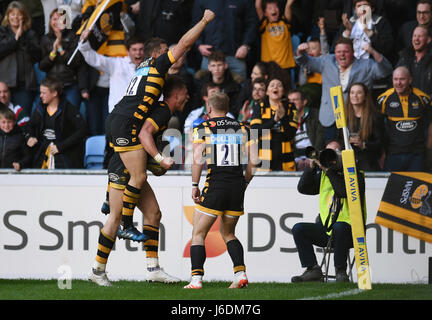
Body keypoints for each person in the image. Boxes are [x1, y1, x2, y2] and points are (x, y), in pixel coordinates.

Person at [104, 10, 215, 241]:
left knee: (127, 165)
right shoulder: (156, 64)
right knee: (138, 177)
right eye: (166, 51)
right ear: (156, 53)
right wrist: (204, 20)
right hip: (126, 122)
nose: (171, 55)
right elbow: (184, 44)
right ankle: (126, 223)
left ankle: (108, 198)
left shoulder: (141, 69)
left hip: (116, 118)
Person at [89, 75, 189, 286]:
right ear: (177, 95)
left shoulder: (162, 111)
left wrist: (157, 163)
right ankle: (97, 271)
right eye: (185, 94)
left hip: (133, 168)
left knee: (154, 213)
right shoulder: (162, 111)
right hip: (123, 167)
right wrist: (160, 160)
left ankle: (153, 269)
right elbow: (144, 135)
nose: (187, 98)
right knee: (115, 219)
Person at [184, 91, 256, 289]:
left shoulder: (202, 128)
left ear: (209, 108)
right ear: (228, 107)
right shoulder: (243, 128)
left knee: (198, 233)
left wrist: (194, 185)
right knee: (229, 233)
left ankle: (196, 279)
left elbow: (198, 159)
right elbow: (255, 160)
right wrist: (245, 182)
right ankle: (240, 274)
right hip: (236, 187)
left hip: (215, 184)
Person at [291, 140, 366, 283]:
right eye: (326, 153)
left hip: (351, 232)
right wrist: (311, 167)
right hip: (328, 230)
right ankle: (313, 269)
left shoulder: (356, 175)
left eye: (334, 153)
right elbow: (303, 188)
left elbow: (343, 191)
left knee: (340, 226)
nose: (329, 158)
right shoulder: (324, 176)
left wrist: (329, 171)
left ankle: (340, 271)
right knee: (298, 229)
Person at [295, 37, 393, 142]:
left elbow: (386, 71)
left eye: (345, 51)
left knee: (354, 153)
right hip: (330, 117)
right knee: (331, 152)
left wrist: (373, 52)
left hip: (355, 119)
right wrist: (300, 52)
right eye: (338, 52)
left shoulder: (366, 65)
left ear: (353, 52)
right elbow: (306, 62)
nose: (342, 54)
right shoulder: (327, 61)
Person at [377, 66, 432, 172]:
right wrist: (382, 152)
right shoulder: (383, 100)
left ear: (410, 80)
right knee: (393, 188)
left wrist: (429, 148)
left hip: (417, 155)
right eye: (395, 79)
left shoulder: (423, 99)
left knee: (416, 188)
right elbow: (378, 128)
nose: (398, 83)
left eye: (402, 79)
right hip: (393, 154)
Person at [25, 77, 88, 169]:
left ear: (54, 93)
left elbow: (82, 131)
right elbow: (29, 126)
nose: (40, 96)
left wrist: (61, 146)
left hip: (65, 157)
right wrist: (29, 137)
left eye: (44, 93)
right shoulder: (40, 109)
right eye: (40, 92)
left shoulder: (69, 109)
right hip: (42, 155)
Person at [191, 0, 258, 81]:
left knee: (240, 90)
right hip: (209, 56)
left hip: (236, 56)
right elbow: (195, 23)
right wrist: (199, 45)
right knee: (207, 89)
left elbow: (252, 24)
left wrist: (246, 45)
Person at [79, 33, 145, 113]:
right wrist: (84, 41)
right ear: (128, 51)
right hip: (119, 115)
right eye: (134, 49)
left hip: (141, 114)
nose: (138, 53)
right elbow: (94, 59)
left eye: (141, 49)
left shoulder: (150, 67)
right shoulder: (117, 64)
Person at [39, 8, 87, 109]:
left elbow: (76, 62)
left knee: (71, 118)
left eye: (61, 19)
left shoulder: (73, 37)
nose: (57, 22)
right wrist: (53, 53)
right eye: (54, 19)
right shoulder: (45, 39)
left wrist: (61, 48)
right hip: (51, 87)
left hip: (70, 85)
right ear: (50, 21)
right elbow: (42, 66)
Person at [0, 1, 42, 116]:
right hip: (4, 85)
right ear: (7, 16)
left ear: (24, 16)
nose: (15, 17)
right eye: (12, 14)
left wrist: (22, 38)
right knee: (3, 119)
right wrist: (15, 39)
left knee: (23, 118)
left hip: (25, 85)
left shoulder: (30, 34)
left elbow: (37, 56)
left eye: (19, 14)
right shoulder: (1, 32)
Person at [250, 77, 298, 171]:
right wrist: (274, 120)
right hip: (265, 162)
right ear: (267, 91)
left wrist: (283, 117)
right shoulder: (259, 107)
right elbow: (255, 131)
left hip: (286, 162)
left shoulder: (291, 107)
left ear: (283, 91)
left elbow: (290, 135)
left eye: (279, 85)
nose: (275, 87)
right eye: (272, 85)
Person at [341, 82, 385, 171]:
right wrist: (346, 141)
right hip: (348, 161)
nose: (355, 96)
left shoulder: (374, 117)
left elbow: (381, 143)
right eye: (352, 93)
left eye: (359, 93)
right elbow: (337, 139)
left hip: (368, 160)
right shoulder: (343, 117)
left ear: (365, 96)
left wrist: (364, 144)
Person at [255, 0, 295, 90]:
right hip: (270, 67)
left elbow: (289, 4)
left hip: (285, 65)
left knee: (286, 90)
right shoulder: (265, 24)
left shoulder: (284, 22)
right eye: (270, 8)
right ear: (265, 13)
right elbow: (258, 5)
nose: (273, 10)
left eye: (275, 7)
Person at [194, 50, 242, 116]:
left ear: (225, 65)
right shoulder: (202, 84)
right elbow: (197, 104)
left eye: (219, 65)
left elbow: (236, 108)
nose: (216, 69)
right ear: (209, 67)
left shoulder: (235, 86)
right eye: (213, 65)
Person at [287, 88, 324, 171]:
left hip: (314, 155)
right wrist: (296, 159)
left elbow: (320, 139)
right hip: (296, 159)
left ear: (304, 102)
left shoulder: (316, 115)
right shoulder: (286, 119)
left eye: (295, 100)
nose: (291, 103)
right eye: (289, 100)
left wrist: (313, 157)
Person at [397, 25, 432, 97]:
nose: (416, 39)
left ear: (428, 40)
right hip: (408, 103)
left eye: (420, 36)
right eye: (414, 36)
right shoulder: (404, 57)